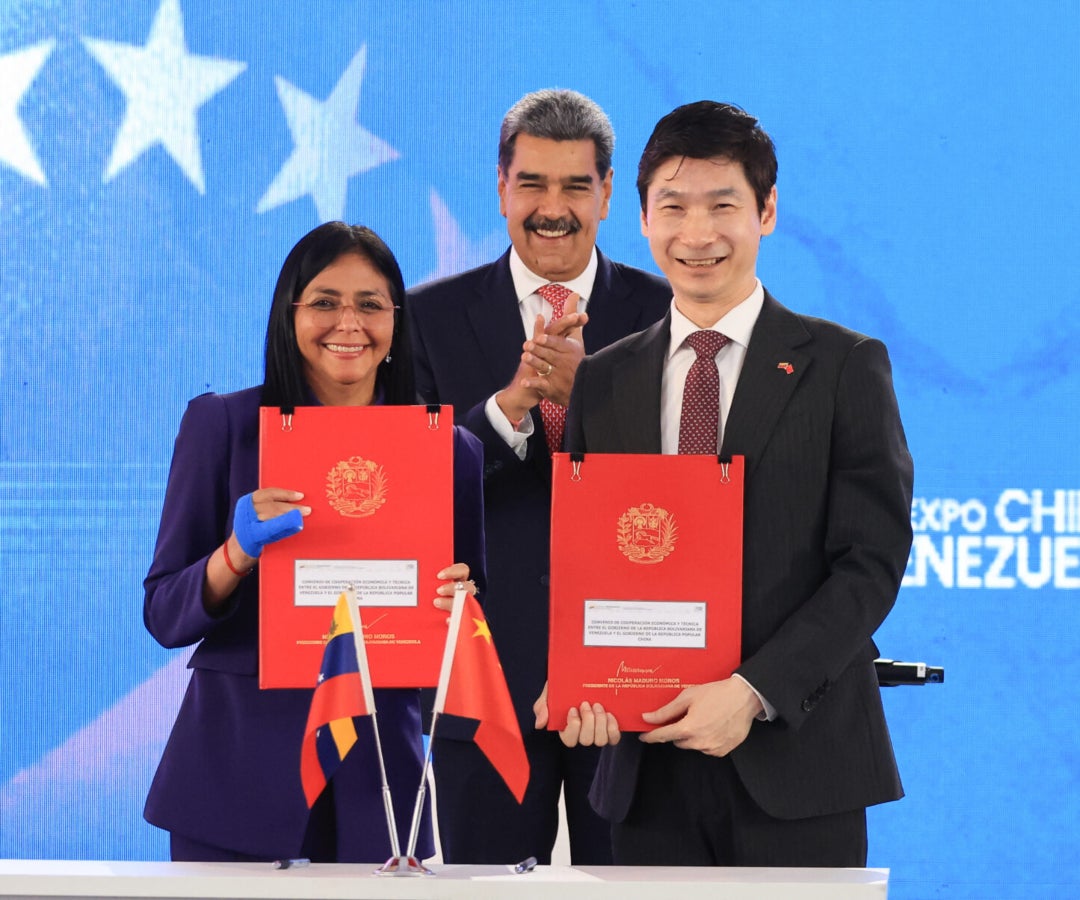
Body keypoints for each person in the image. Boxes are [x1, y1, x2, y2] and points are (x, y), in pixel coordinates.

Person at [538, 100, 914, 867]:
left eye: (723, 206)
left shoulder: (843, 366)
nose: (697, 234)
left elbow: (869, 564)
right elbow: (589, 561)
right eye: (672, 207)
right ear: (641, 220)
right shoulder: (604, 381)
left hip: (799, 768)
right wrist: (581, 679)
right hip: (649, 774)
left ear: (767, 211)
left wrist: (751, 691)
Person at [143, 222, 485, 863]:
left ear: (396, 322)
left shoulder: (451, 452)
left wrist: (461, 610)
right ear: (289, 314)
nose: (348, 322)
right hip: (234, 778)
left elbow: (471, 643)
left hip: (380, 787)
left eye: (371, 304)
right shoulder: (222, 426)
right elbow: (164, 613)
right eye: (325, 301)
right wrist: (234, 554)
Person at [407, 89, 670, 865]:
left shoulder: (673, 316)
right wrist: (509, 409)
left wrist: (595, 403)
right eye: (533, 184)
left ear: (609, 194)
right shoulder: (425, 318)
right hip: (479, 680)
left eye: (575, 187)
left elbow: (693, 493)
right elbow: (417, 490)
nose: (552, 209)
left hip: (634, 678)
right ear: (500, 188)